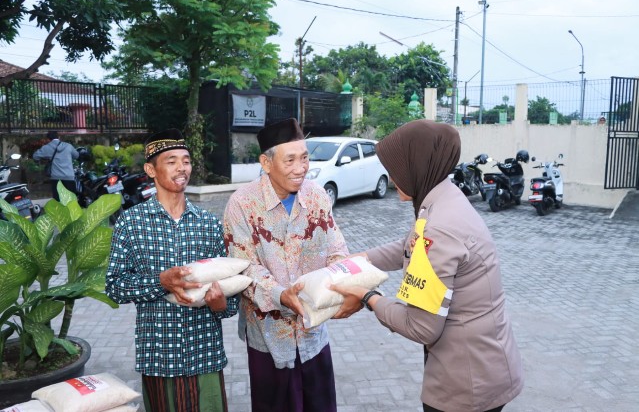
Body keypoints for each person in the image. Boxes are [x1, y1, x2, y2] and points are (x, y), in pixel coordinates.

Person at [331, 120, 524, 412]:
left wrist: (368, 297)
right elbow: (409, 245)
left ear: (416, 166)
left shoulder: (440, 226)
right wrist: (359, 260)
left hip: (467, 381)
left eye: (396, 168)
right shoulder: (443, 197)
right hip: (485, 361)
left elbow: (421, 327)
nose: (391, 177)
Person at [223, 118, 357, 412]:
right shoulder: (242, 204)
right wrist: (281, 295)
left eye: (305, 158)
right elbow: (244, 268)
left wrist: (346, 284)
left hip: (313, 333)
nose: (301, 168)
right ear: (266, 162)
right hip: (269, 335)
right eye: (290, 160)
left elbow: (336, 248)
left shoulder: (317, 195)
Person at [106, 129, 238, 412]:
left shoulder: (208, 223)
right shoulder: (131, 223)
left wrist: (222, 306)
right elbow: (115, 286)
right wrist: (161, 282)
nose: (182, 168)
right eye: (172, 161)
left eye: (186, 161)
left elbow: (231, 294)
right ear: (150, 170)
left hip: (205, 353)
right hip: (159, 356)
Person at [33, 130, 79, 201]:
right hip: (69, 177)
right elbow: (76, 155)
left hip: (56, 178)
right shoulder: (68, 146)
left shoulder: (47, 147)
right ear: (59, 137)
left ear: (48, 139)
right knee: (71, 200)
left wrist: (45, 159)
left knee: (58, 200)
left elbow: (35, 156)